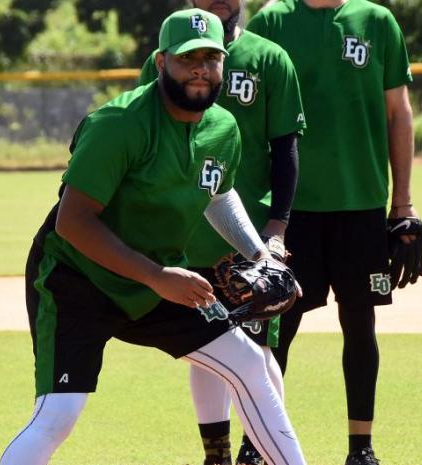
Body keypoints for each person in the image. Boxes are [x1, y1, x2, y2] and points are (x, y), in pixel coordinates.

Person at [0, 9, 307, 465]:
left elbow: (217, 197)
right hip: (76, 279)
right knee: (58, 415)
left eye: (212, 58)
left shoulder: (223, 129)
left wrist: (263, 256)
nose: (201, 68)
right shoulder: (119, 124)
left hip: (157, 277)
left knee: (249, 364)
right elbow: (73, 222)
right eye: (188, 58)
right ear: (161, 63)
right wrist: (159, 277)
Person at [247, 1, 420, 464]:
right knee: (273, 328)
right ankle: (256, 442)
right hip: (288, 210)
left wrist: (401, 203)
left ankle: (360, 448)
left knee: (360, 325)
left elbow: (398, 112)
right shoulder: (271, 20)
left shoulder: (376, 21)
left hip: (360, 205)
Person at [137, 1, 306, 464]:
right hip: (183, 239)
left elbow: (285, 148)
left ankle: (260, 451)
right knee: (204, 349)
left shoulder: (269, 58)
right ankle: (218, 455)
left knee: (256, 351)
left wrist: (275, 229)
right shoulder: (165, 59)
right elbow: (146, 138)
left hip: (245, 241)